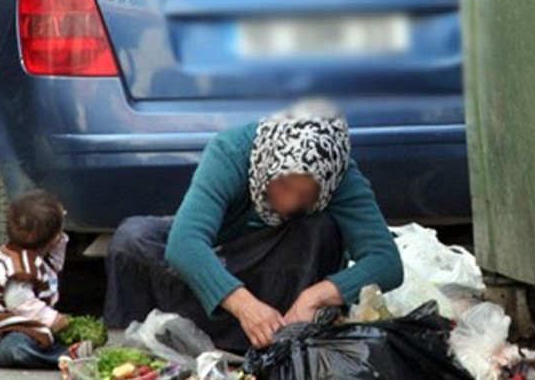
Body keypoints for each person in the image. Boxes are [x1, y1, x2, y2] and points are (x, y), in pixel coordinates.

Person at [105, 101, 404, 351]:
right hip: (223, 260)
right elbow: (185, 245)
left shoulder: (338, 174)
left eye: (306, 194)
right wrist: (244, 305)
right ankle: (173, 336)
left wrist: (315, 296)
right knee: (132, 239)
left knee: (321, 225)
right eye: (284, 185)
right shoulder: (231, 151)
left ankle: (283, 339)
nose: (290, 204)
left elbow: (386, 261)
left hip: (282, 271)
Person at [0, 190, 92, 369]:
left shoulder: (38, 256)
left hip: (25, 326)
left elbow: (56, 262)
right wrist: (52, 319)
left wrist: (58, 230)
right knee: (19, 348)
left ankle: (61, 350)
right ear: (52, 238)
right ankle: (65, 356)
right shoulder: (18, 267)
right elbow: (19, 302)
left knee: (42, 336)